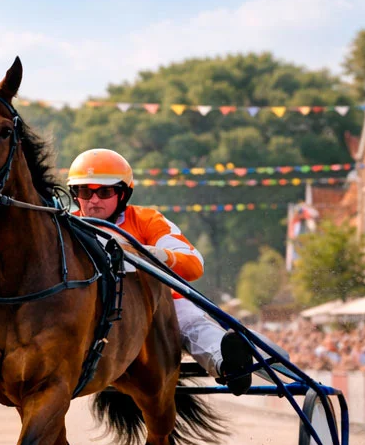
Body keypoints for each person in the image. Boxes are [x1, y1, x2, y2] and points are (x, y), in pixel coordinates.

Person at [64, 148, 255, 393]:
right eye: (83, 191)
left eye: (104, 191)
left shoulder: (147, 220)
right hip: (91, 307)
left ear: (122, 194)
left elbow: (193, 264)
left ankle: (227, 365)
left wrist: (156, 254)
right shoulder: (65, 227)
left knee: (190, 319)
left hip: (157, 305)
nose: (93, 200)